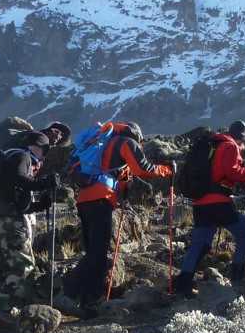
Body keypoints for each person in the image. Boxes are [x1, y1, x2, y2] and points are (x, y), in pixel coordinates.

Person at [66, 122, 173, 318]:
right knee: (98, 253)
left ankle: (80, 296)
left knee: (93, 251)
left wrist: (123, 186)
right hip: (101, 199)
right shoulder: (126, 143)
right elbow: (143, 169)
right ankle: (84, 298)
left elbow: (116, 173)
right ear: (136, 135)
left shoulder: (104, 143)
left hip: (84, 198)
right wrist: (166, 170)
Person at [173, 120, 245, 297]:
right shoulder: (230, 146)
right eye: (244, 142)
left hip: (200, 203)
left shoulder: (213, 145)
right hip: (219, 202)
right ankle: (237, 277)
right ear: (241, 137)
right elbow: (232, 172)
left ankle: (183, 283)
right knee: (243, 233)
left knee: (200, 244)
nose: (243, 147)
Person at [0, 131, 60, 305]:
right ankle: (17, 306)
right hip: (9, 221)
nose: (44, 155)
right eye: (44, 150)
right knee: (21, 263)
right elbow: (20, 178)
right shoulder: (23, 156)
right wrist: (44, 183)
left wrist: (40, 205)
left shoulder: (7, 157)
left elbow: (15, 195)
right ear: (37, 146)